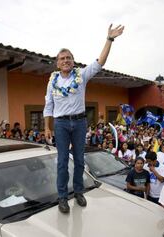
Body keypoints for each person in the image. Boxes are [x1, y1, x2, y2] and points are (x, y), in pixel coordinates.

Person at [43, 24, 124, 213]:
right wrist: (47, 127)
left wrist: (109, 39)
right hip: (61, 123)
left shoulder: (82, 75)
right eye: (62, 59)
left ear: (73, 61)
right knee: (62, 162)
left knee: (79, 160)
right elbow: (48, 104)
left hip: (79, 122)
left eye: (68, 58)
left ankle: (78, 191)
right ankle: (63, 197)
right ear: (57, 63)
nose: (65, 61)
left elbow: (99, 62)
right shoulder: (52, 81)